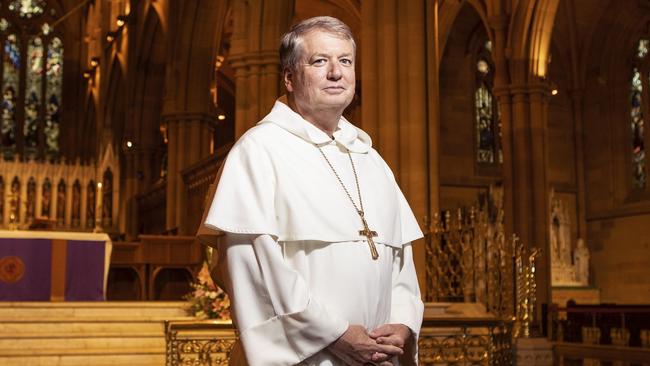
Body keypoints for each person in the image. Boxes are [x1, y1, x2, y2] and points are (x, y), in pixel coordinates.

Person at [198, 16, 424, 366]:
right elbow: (255, 271)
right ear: (289, 77)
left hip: (379, 358)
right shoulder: (259, 151)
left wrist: (403, 322)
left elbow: (400, 262)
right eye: (320, 61)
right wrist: (335, 334)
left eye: (345, 61)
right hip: (307, 359)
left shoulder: (372, 159)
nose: (336, 72)